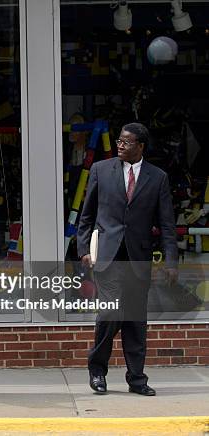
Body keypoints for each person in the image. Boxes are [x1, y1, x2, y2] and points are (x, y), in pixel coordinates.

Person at [77, 122, 177, 396]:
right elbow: (86, 215)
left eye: (127, 142)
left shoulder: (158, 178)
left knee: (135, 320)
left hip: (138, 258)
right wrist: (84, 248)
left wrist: (171, 261)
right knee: (109, 314)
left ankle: (137, 379)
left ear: (140, 146)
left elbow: (167, 224)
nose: (120, 145)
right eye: (120, 140)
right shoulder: (100, 170)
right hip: (107, 258)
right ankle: (97, 371)